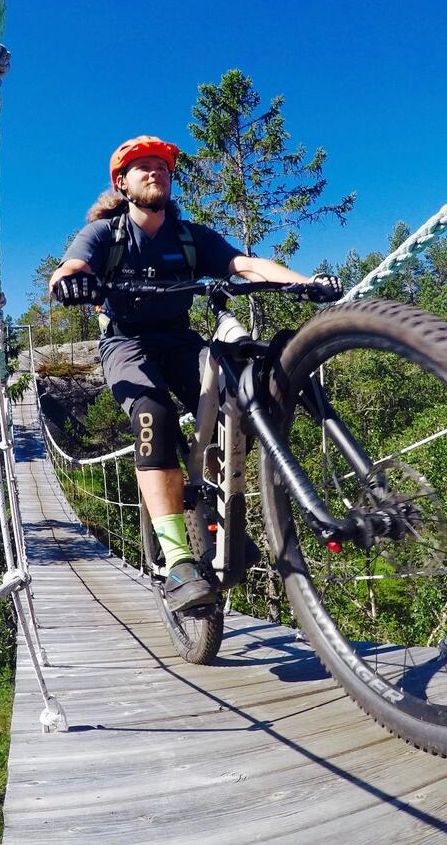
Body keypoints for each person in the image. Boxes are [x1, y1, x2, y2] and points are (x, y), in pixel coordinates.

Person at [49, 135, 341, 612]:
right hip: (126, 342)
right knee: (154, 414)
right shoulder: (106, 235)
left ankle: (221, 516)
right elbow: (70, 268)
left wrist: (304, 283)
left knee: (236, 401)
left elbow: (244, 265)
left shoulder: (188, 237)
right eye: (142, 167)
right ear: (122, 184)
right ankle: (178, 560)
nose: (155, 172)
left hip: (180, 340)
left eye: (163, 167)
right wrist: (69, 284)